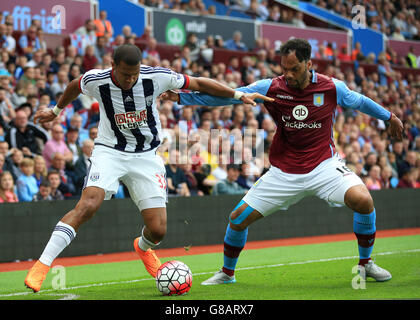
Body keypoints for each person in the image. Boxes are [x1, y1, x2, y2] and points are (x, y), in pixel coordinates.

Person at [24, 43, 272, 292]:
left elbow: (197, 83)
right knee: (88, 205)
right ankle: (42, 266)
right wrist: (56, 111)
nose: (131, 79)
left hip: (146, 156)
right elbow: (75, 85)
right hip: (110, 152)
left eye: (134, 74)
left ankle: (142, 248)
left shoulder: (157, 77)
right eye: (125, 74)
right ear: (113, 66)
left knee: (158, 230)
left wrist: (238, 95)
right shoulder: (96, 80)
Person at [163, 38, 404, 285]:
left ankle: (366, 265)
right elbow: (229, 97)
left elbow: (360, 101)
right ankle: (227, 273)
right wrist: (183, 98)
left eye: (294, 69)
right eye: (284, 68)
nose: (287, 75)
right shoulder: (271, 87)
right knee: (237, 218)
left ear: (309, 63)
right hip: (283, 172)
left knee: (363, 200)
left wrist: (390, 116)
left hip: (324, 166)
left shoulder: (332, 87)